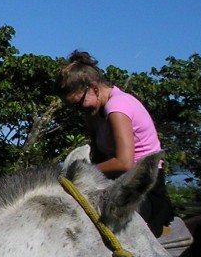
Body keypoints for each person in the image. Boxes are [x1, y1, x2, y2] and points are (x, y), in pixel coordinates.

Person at [56, 50, 174, 237]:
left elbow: (124, 162)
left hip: (142, 190)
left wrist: (77, 172)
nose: (80, 110)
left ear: (94, 88)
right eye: (73, 107)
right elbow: (99, 157)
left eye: (80, 103)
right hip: (115, 185)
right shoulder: (94, 114)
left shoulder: (118, 107)